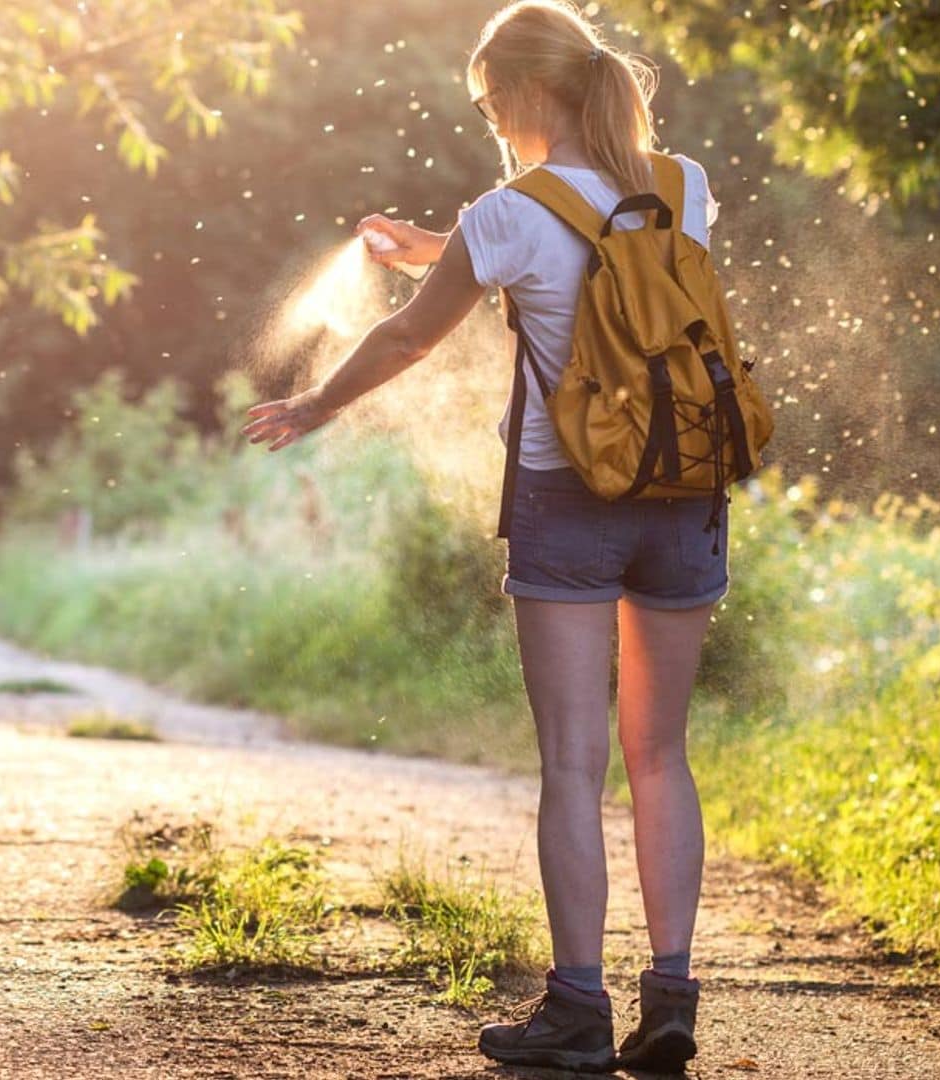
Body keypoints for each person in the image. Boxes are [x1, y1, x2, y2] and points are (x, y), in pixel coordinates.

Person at [242, 0, 720, 1071]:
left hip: (571, 497)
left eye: (489, 104)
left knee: (571, 763)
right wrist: (442, 243)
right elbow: (593, 259)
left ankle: (578, 1012)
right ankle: (674, 993)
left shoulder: (507, 212)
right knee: (660, 755)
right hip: (687, 491)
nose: (491, 124)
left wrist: (315, 404)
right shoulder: (686, 187)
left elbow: (415, 334)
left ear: (522, 95)